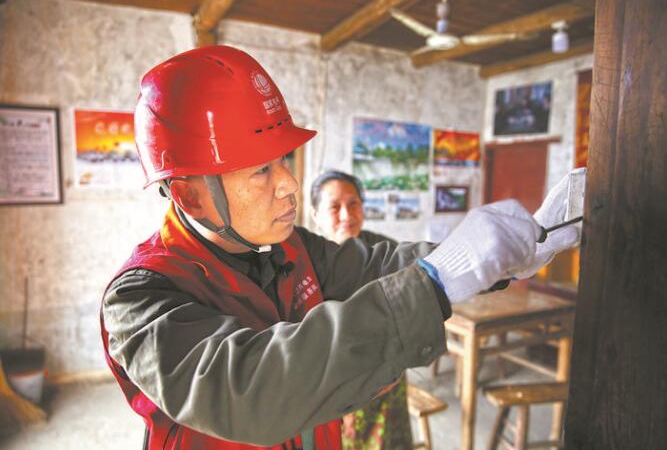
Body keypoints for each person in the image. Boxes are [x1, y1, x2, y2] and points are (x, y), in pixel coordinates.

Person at [100, 45, 582, 450]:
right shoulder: (140, 300)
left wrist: (506, 257)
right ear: (189, 194)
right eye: (261, 171)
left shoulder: (290, 247)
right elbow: (249, 390)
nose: (290, 183)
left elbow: (378, 263)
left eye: (283, 159)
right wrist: (435, 284)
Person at [310, 170, 411, 449]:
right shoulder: (304, 260)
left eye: (354, 203)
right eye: (334, 206)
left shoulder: (385, 250)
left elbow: (407, 307)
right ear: (315, 214)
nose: (347, 215)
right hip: (331, 387)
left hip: (385, 378)